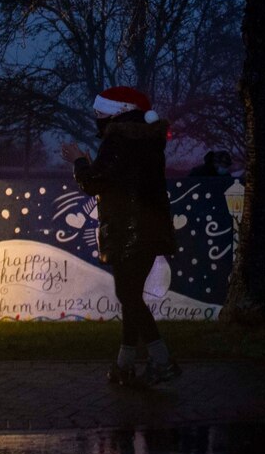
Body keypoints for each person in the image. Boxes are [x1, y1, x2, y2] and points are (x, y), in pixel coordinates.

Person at [61, 85, 180, 387]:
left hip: (129, 231)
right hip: (148, 230)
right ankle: (124, 365)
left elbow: (95, 182)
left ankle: (162, 362)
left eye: (101, 113)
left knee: (128, 296)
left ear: (117, 114)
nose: (97, 118)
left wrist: (78, 161)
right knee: (130, 297)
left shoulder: (119, 141)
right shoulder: (147, 142)